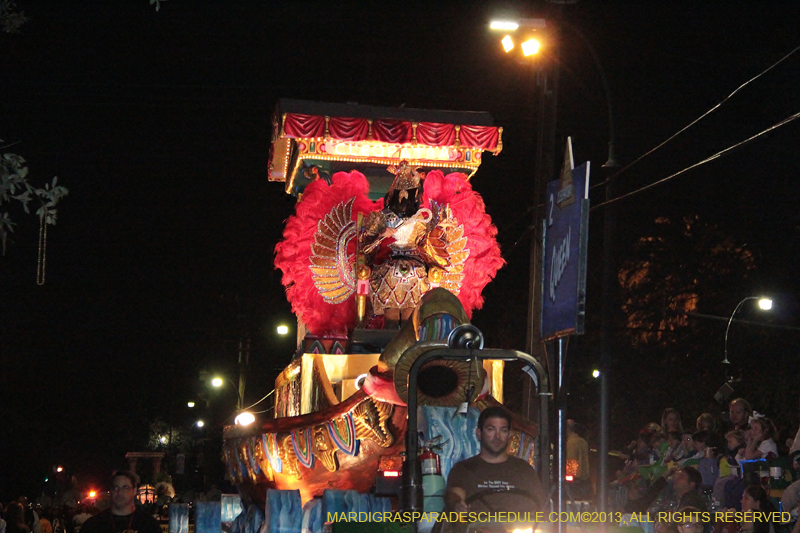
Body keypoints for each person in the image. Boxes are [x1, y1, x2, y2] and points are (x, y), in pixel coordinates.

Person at [444, 406, 546, 517]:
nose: (497, 436)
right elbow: (455, 494)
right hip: (477, 525)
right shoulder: (463, 469)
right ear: (479, 433)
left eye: (503, 430)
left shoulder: (524, 470)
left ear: (509, 435)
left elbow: (542, 506)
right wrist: (457, 504)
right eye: (491, 429)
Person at [80, 472, 160, 533]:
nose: (120, 493)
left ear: (134, 490)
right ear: (111, 491)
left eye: (125, 488)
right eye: (116, 488)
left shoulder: (149, 525)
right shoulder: (93, 525)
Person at [566, 419, 591, 499]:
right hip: (585, 481)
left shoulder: (571, 443)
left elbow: (571, 462)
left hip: (575, 483)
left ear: (567, 429)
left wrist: (569, 479)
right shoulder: (583, 442)